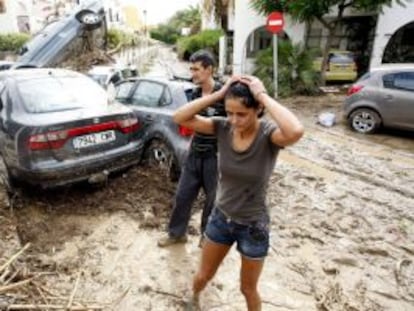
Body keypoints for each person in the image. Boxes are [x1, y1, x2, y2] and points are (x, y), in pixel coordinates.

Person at [173, 75, 304, 310]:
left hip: (253, 226)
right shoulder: (222, 128)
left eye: (241, 114)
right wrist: (220, 93)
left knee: (248, 289)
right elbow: (179, 117)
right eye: (229, 112)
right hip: (221, 218)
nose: (234, 120)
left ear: (258, 109)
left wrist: (262, 94)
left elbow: (295, 131)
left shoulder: (268, 135)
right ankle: (193, 300)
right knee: (203, 276)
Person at [157, 50, 226, 247]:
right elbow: (188, 121)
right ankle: (177, 233)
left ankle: (207, 236)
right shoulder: (194, 94)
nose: (192, 73)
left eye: (196, 69)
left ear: (209, 69)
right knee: (183, 195)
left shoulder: (224, 93)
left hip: (216, 155)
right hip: (195, 152)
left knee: (213, 199)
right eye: (191, 69)